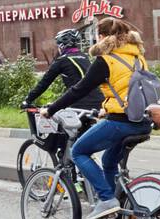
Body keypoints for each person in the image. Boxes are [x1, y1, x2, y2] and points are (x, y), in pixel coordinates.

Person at [44, 17, 153, 219]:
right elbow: (129, 90)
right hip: (143, 122)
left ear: (101, 37)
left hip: (121, 123)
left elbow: (79, 90)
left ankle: (106, 199)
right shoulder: (138, 57)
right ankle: (112, 212)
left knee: (78, 151)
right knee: (108, 161)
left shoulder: (106, 60)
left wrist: (51, 109)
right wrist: (105, 108)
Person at [22, 28, 103, 159]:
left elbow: (44, 83)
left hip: (79, 103)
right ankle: (76, 165)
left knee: (61, 131)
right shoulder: (85, 57)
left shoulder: (62, 60)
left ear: (62, 45)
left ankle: (66, 163)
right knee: (79, 139)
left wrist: (28, 100)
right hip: (98, 103)